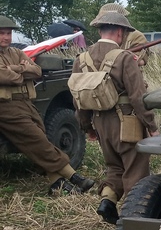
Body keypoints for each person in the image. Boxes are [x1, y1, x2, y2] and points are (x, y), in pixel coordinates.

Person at [72, 10, 158, 224]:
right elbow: (138, 97)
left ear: (100, 30)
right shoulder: (125, 58)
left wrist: (87, 127)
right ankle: (133, 218)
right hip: (127, 123)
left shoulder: (81, 59)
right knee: (135, 169)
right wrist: (151, 125)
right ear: (120, 32)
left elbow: (79, 99)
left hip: (100, 123)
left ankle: (107, 200)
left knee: (115, 167)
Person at [0, 15, 95, 195]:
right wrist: (21, 72)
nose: (6, 37)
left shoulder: (16, 53)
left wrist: (17, 69)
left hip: (25, 102)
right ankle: (73, 175)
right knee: (36, 139)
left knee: (40, 139)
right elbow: (7, 77)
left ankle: (56, 182)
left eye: (8, 33)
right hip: (6, 106)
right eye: (2, 33)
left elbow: (36, 71)